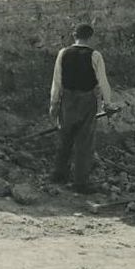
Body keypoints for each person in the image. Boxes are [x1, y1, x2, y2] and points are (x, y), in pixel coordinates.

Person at [48, 24, 116, 194]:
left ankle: (59, 174)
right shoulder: (95, 55)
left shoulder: (63, 53)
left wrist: (54, 104)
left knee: (65, 137)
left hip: (68, 100)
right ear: (91, 37)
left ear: (74, 35)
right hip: (87, 100)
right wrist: (107, 103)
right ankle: (80, 182)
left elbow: (57, 81)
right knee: (84, 142)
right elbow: (103, 81)